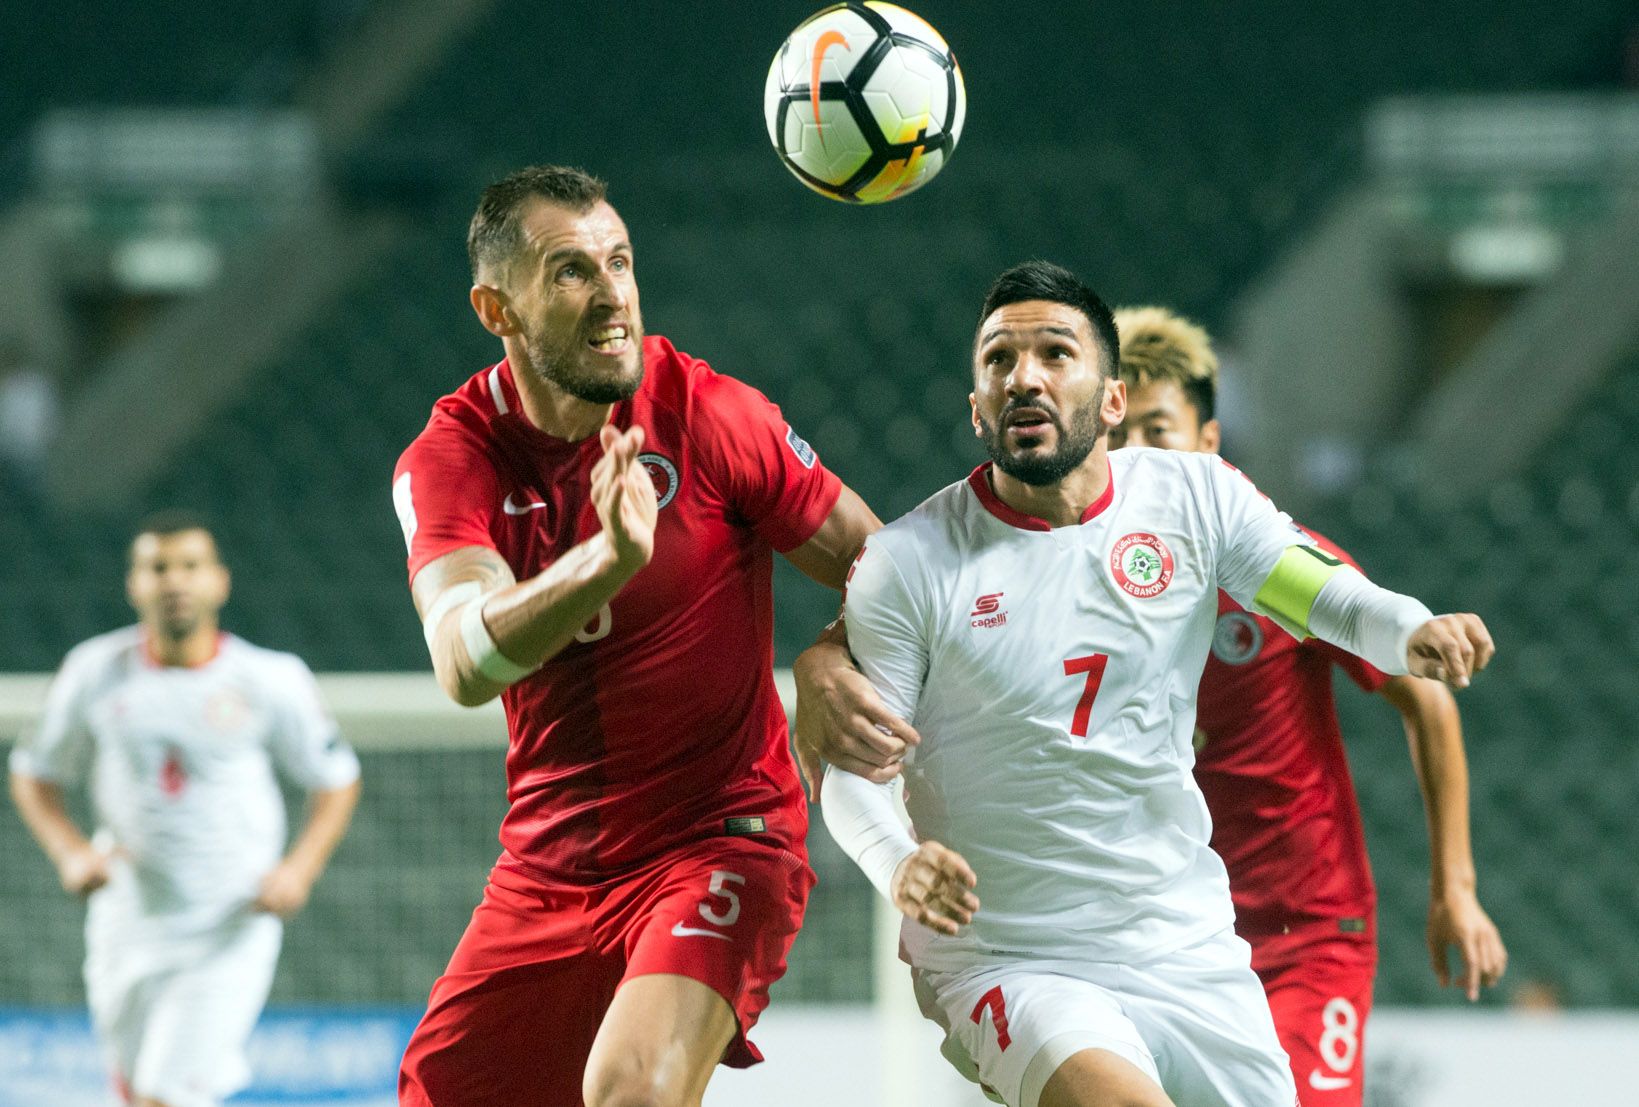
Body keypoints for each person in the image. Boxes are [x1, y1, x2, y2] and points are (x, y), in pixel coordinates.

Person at [809, 260, 1494, 1107]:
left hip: (1184, 944)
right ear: (975, 406)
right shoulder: (908, 566)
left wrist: (1409, 627)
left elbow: (1316, 592)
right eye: (997, 360)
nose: (1023, 376)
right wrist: (898, 861)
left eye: (1054, 353)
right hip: (1013, 957)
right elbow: (850, 770)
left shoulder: (1193, 499)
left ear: (1110, 400)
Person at [390, 164, 880, 1107]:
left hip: (721, 839)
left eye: (619, 261)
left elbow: (887, 569)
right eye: (571, 270)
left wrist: (827, 654)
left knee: (634, 1089)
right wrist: (603, 562)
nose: (613, 292)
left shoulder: (708, 413)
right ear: (497, 308)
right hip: (547, 869)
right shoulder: (453, 456)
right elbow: (462, 662)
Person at [1111, 305, 1507, 1104]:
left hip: (1303, 935)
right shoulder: (1076, 579)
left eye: (1159, 430)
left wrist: (1454, 889)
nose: (1138, 456)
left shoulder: (1269, 559)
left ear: (1208, 443)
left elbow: (1426, 699)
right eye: (1119, 435)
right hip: (1162, 939)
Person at [8, 512, 361, 1107]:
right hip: (126, 921)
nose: (175, 581)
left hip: (227, 924)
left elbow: (336, 780)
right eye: (158, 568)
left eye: (190, 567)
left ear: (219, 582)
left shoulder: (268, 678)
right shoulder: (95, 671)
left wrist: (299, 869)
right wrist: (70, 853)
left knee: (165, 1097)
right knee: (131, 1091)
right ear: (134, 585)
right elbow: (34, 772)